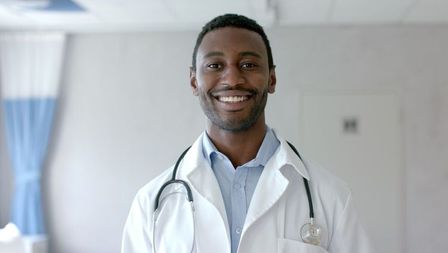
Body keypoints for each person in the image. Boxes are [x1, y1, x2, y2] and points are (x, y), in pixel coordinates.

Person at [121, 14, 374, 253]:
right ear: (193, 82)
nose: (232, 78)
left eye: (248, 64)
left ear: (271, 79)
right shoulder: (151, 203)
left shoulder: (331, 197)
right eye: (215, 65)